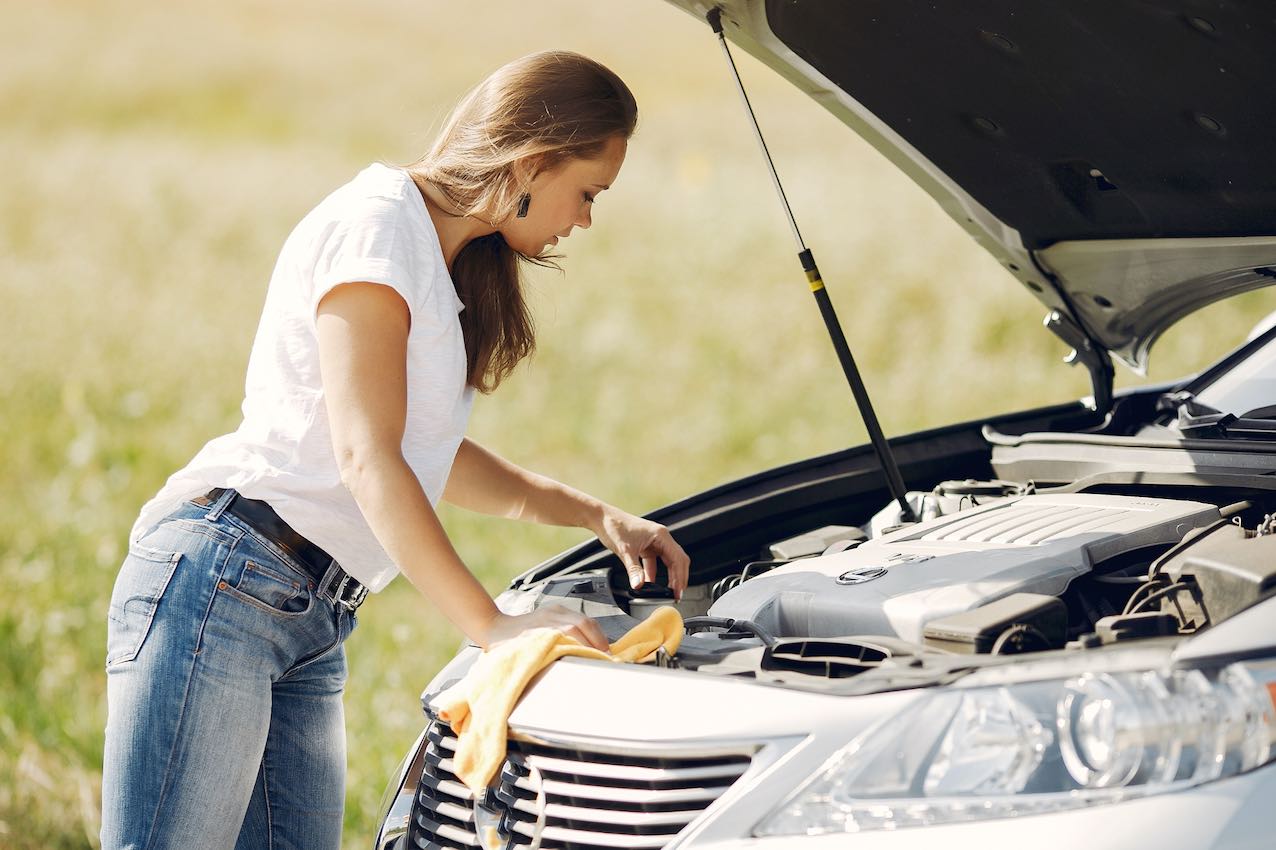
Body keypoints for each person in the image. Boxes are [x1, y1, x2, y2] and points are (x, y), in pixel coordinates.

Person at [100, 50, 691, 850]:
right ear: (536, 160)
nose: (585, 218)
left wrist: (597, 517)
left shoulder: (444, 262)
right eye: (588, 192)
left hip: (311, 619)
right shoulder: (377, 226)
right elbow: (367, 457)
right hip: (226, 586)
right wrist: (492, 624)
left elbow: (429, 455)